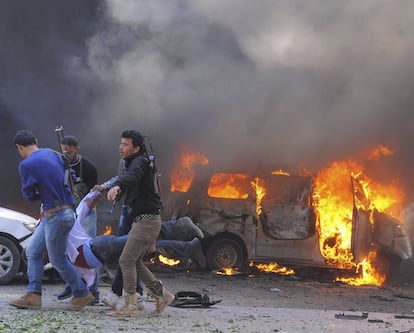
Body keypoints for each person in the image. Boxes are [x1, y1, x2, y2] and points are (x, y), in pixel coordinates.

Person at [9, 129, 93, 310]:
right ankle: (33, 295)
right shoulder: (53, 154)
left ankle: (82, 294)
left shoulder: (26, 165)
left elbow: (29, 195)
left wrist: (38, 191)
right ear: (36, 141)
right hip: (62, 212)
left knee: (58, 260)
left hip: (56, 215)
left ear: (19, 147)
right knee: (33, 251)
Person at [100, 130, 174, 316]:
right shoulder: (135, 162)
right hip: (144, 221)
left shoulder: (139, 162)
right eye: (121, 143)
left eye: (125, 144)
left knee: (125, 260)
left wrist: (118, 186)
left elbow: (132, 176)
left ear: (136, 148)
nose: (120, 147)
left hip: (146, 222)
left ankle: (131, 305)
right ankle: (162, 295)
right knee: (136, 262)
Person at [57, 135, 100, 304]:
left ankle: (94, 291)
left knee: (89, 251)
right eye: (63, 149)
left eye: (70, 149)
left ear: (77, 149)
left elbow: (94, 193)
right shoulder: (58, 164)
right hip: (67, 212)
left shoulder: (88, 167)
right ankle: (74, 285)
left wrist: (85, 205)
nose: (66, 153)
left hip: (86, 213)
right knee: (68, 251)